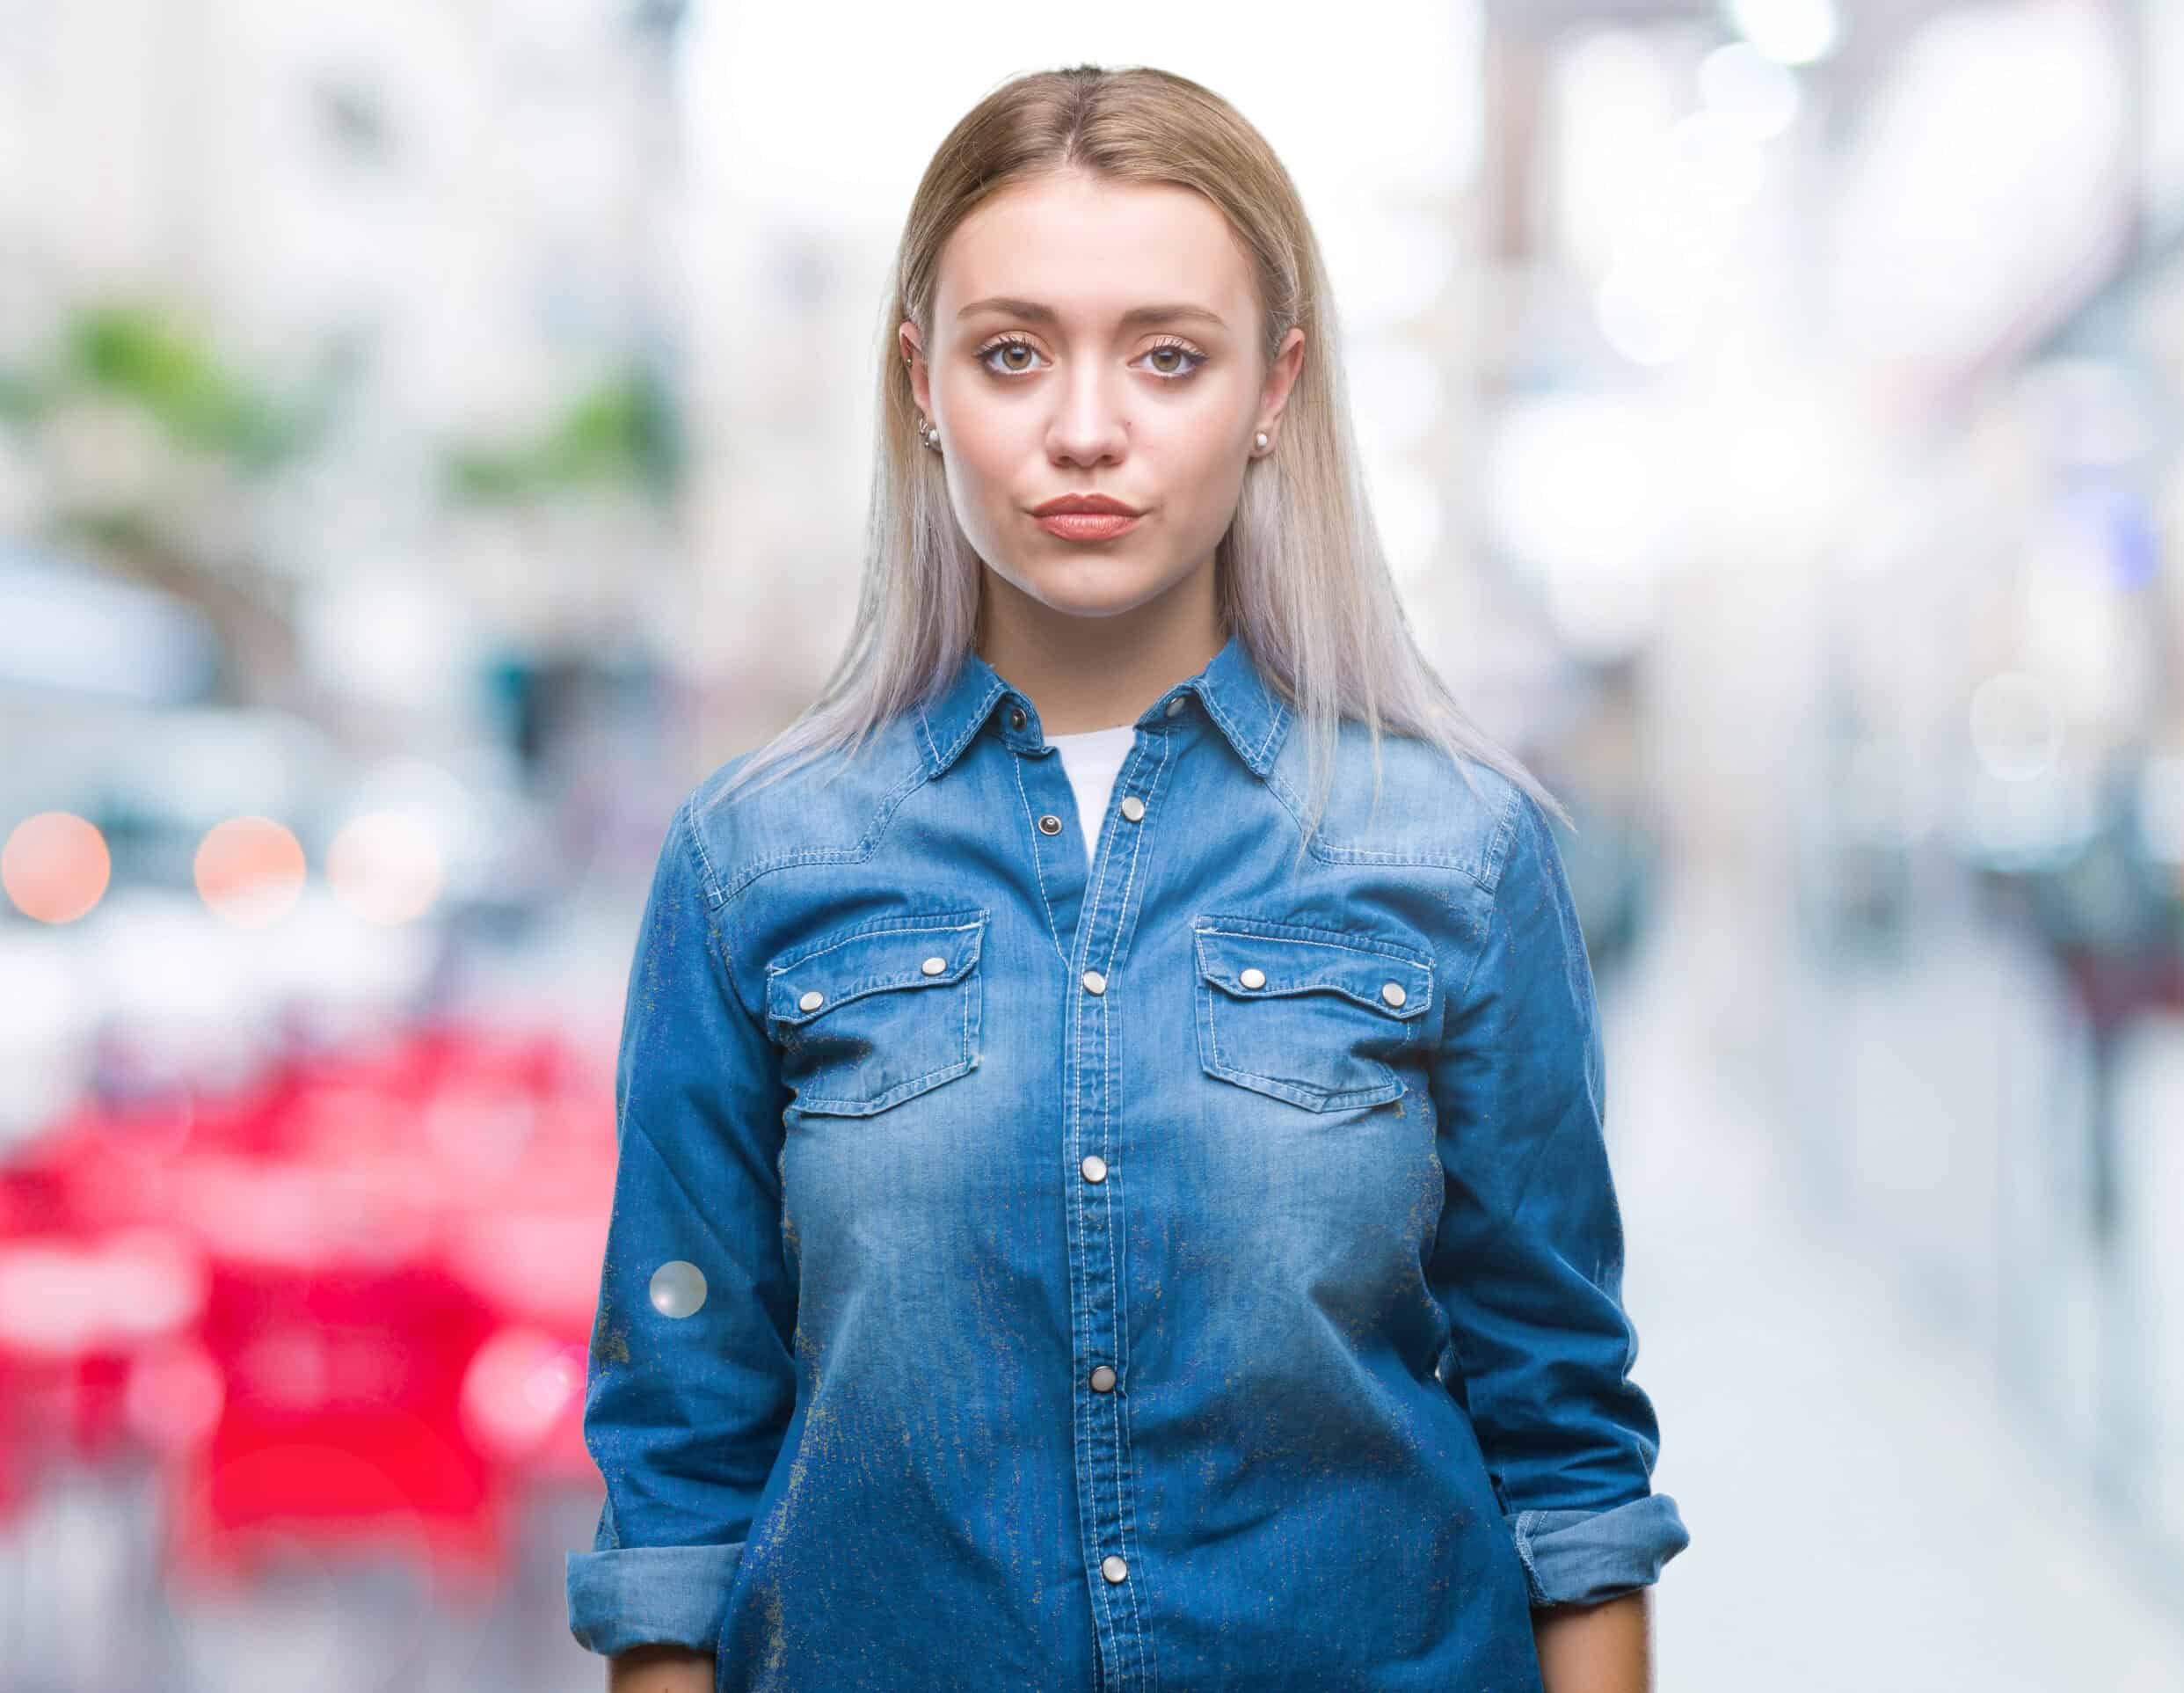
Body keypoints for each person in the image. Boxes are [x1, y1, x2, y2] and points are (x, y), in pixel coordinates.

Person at [565, 62, 1687, 1693]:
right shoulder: (755, 861)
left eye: (1169, 356)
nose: (1085, 427)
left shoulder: (1455, 848)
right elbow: (680, 1453)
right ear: (923, 383)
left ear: (1274, 388)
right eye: (1012, 352)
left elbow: (1569, 1442)